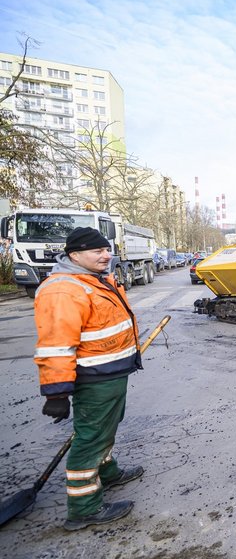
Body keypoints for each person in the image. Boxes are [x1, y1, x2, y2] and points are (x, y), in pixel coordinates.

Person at [33, 227, 144, 531]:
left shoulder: (95, 280)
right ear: (74, 255)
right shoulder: (63, 290)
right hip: (94, 378)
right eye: (97, 251)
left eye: (107, 249)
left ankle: (107, 472)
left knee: (106, 427)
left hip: (110, 373)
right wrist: (55, 393)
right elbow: (56, 345)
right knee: (91, 437)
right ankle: (84, 508)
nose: (106, 255)